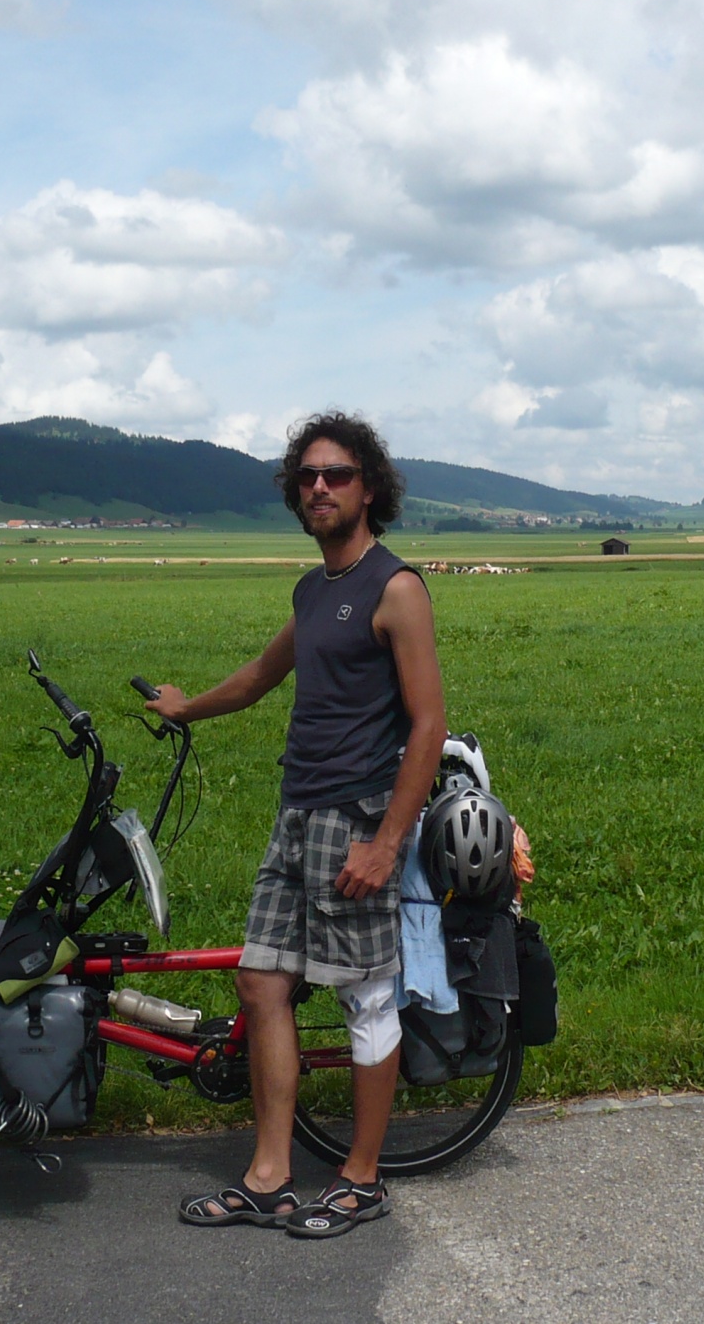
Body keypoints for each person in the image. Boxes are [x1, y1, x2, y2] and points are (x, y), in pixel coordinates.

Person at [147, 411, 445, 1238]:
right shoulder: (314, 590)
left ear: (368, 488)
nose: (319, 486)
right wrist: (186, 708)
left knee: (366, 996)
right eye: (308, 475)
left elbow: (428, 723)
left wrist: (387, 843)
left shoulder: (396, 588)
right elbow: (260, 674)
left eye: (336, 473)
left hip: (356, 819)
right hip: (296, 814)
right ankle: (270, 1177)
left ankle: (361, 1178)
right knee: (261, 981)